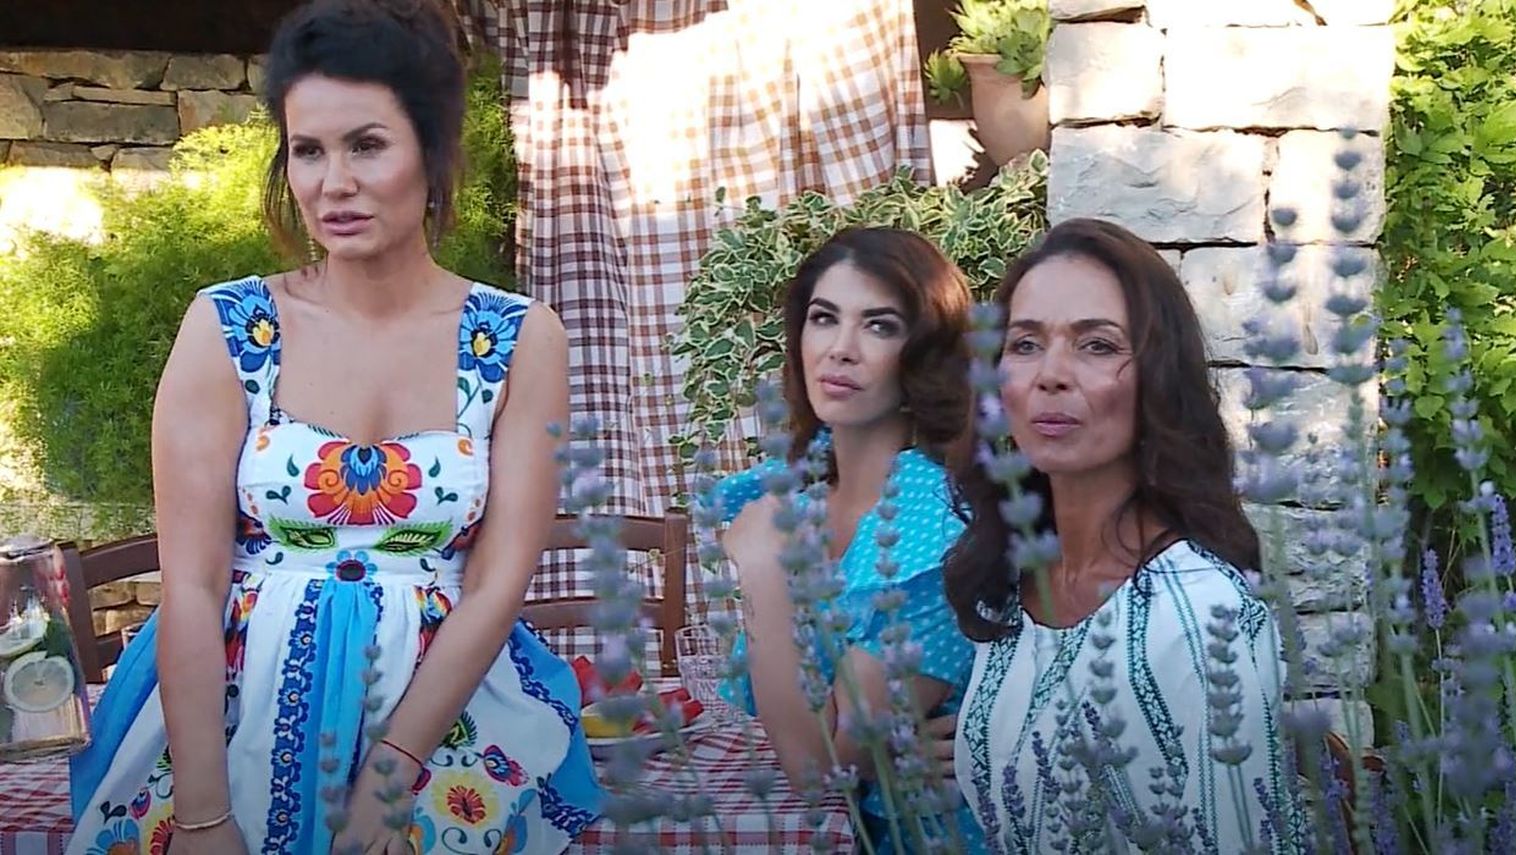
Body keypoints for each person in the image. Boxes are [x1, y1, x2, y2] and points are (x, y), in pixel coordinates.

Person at [68, 2, 602, 852]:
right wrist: (203, 812)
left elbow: (499, 582)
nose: (332, 183)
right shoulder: (229, 327)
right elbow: (192, 586)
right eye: (308, 150)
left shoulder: (518, 338)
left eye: (366, 145)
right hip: (226, 726)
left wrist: (394, 774)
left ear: (433, 151)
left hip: (444, 720)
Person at [943, 218, 1303, 853]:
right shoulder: (1015, 583)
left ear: (1158, 378)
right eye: (1025, 344)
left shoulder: (1202, 617)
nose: (1051, 374)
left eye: (1097, 345)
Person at [712, 226, 986, 851]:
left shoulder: (939, 533)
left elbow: (820, 776)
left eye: (879, 326)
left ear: (926, 356)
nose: (840, 349)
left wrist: (763, 571)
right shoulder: (795, 495)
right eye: (823, 318)